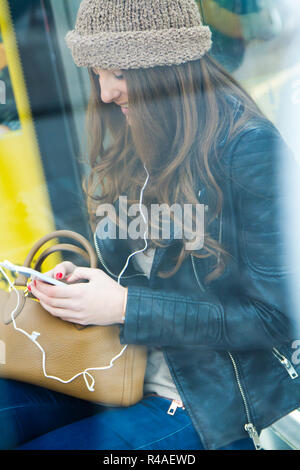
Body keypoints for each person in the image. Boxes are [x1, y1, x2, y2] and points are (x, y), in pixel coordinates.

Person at [1, 0, 300, 451]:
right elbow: (144, 272)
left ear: (165, 68)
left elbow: (276, 318)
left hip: (204, 401)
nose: (104, 92)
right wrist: (88, 286)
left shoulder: (248, 149)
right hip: (118, 365)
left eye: (118, 73)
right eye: (97, 72)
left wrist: (125, 306)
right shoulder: (133, 134)